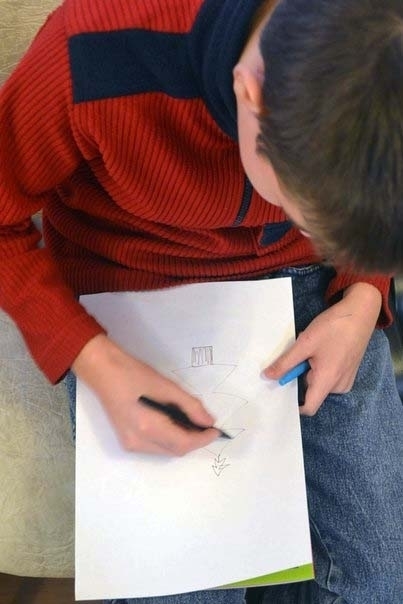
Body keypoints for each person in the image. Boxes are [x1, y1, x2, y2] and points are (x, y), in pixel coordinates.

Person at [0, 0, 402, 602]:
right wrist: (91, 357)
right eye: (305, 214)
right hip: (132, 296)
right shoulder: (88, 51)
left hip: (317, 290)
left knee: (385, 579)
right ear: (251, 93)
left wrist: (364, 292)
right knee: (188, 582)